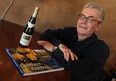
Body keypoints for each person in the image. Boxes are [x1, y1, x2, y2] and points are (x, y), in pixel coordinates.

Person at [37, 2, 110, 81]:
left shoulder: (102, 49)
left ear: (98, 26)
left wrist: (54, 49)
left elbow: (81, 71)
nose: (83, 21)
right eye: (82, 16)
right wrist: (61, 45)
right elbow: (46, 35)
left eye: (90, 19)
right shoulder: (70, 32)